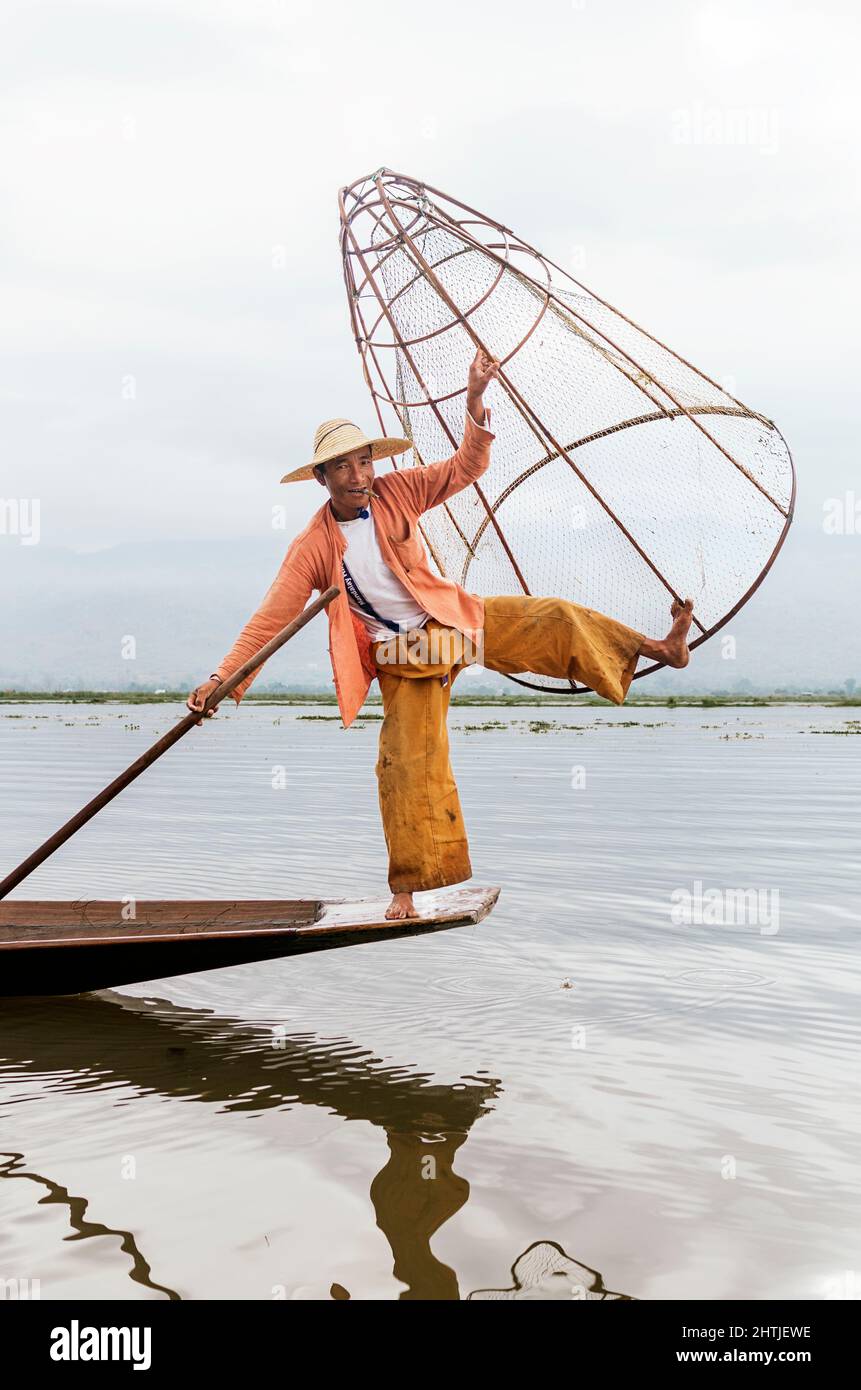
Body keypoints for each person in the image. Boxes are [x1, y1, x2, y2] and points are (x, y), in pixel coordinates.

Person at [188, 349, 694, 919]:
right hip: (404, 656)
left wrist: (474, 402)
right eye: (345, 468)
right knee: (405, 764)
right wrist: (218, 678)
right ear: (323, 478)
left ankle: (661, 648)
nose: (359, 477)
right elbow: (270, 620)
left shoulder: (398, 492)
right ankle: (405, 890)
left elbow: (464, 469)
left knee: (551, 617)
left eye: (364, 463)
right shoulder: (312, 547)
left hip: (450, 623)